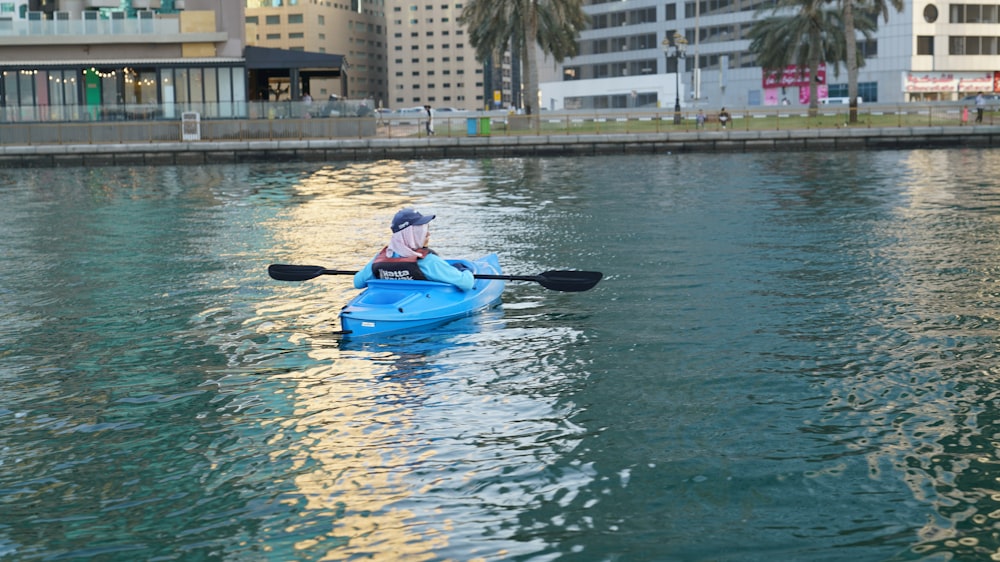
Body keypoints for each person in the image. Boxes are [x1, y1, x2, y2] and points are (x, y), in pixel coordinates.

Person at [354, 208, 474, 291]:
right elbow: (467, 284)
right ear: (411, 234)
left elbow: (358, 283)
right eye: (422, 230)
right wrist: (466, 270)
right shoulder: (429, 262)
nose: (428, 234)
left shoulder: (381, 259)